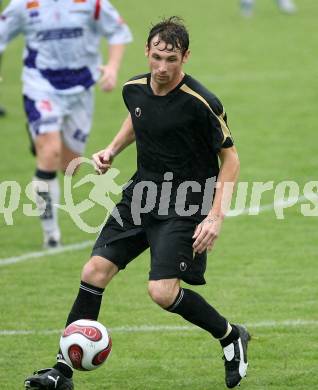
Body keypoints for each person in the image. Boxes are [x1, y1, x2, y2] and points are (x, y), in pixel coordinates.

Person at [24, 16, 250, 390]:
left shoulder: (201, 102)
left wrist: (215, 216)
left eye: (172, 60)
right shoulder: (134, 88)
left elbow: (232, 160)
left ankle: (229, 336)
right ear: (147, 51)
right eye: (157, 57)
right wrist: (112, 149)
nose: (162, 67)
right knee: (93, 271)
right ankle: (61, 371)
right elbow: (138, 116)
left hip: (186, 203)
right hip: (141, 195)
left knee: (162, 292)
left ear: (186, 57)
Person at [0, 0, 132, 247]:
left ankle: (40, 136)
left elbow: (118, 31)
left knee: (70, 166)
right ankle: (51, 236)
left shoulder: (92, 4)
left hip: (82, 89)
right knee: (49, 153)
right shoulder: (24, 5)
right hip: (40, 86)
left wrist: (112, 68)